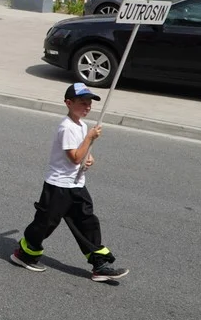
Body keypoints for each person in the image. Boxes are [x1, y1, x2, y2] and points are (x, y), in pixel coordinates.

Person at [9, 83, 129, 282]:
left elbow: (82, 156)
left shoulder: (81, 125)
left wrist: (89, 158)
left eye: (89, 103)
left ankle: (100, 264)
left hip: (76, 185)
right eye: (82, 103)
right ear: (68, 103)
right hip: (58, 186)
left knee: (88, 222)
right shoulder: (66, 127)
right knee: (45, 224)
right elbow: (74, 157)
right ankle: (24, 254)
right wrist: (89, 139)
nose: (87, 107)